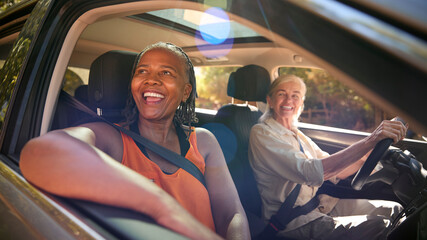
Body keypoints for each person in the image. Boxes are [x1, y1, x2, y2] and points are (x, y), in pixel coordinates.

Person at [20, 42, 250, 240]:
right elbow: (42, 152)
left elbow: (231, 213)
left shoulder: (204, 141)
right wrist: (163, 206)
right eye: (142, 72)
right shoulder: (111, 138)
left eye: (166, 73)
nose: (151, 80)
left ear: (185, 91)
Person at [248, 74, 407, 239]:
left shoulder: (298, 135)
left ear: (301, 103)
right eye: (281, 94)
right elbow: (312, 172)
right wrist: (370, 140)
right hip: (291, 220)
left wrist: (369, 153)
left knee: (394, 210)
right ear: (270, 100)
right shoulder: (262, 133)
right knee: (379, 226)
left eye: (295, 95)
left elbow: (337, 172)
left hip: (320, 205)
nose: (289, 100)